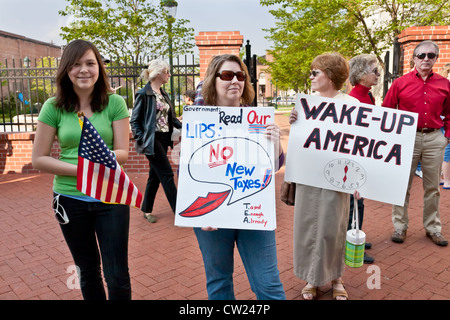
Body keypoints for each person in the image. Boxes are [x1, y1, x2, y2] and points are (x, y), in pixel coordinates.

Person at [32, 40, 132, 300]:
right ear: (66, 69)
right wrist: (83, 170)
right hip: (69, 200)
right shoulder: (52, 107)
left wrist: (94, 164)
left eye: (90, 63)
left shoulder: (115, 103)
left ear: (99, 67)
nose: (84, 70)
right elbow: (39, 159)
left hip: (111, 197)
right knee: (87, 272)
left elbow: (123, 152)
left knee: (117, 274)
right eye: (76, 64)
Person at [192, 54, 286, 300]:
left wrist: (275, 145)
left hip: (253, 210)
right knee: (219, 283)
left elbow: (273, 166)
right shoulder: (198, 120)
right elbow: (189, 174)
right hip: (213, 212)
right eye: (226, 75)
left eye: (240, 75)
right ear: (214, 80)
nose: (235, 80)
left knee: (268, 285)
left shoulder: (257, 120)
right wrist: (203, 213)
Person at [289, 52, 360, 300]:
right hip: (309, 175)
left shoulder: (351, 106)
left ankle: (336, 278)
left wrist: (360, 179)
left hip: (337, 177)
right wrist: (294, 122)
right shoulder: (306, 103)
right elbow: (299, 141)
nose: (311, 76)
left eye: (315, 72)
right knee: (308, 226)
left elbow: (361, 146)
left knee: (334, 227)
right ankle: (311, 277)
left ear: (329, 76)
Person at [382, 40, 450, 246]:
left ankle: (433, 228)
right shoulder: (400, 83)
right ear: (414, 58)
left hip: (433, 138)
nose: (426, 59)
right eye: (422, 55)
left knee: (433, 188)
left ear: (436, 59)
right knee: (402, 185)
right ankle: (400, 226)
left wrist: (446, 136)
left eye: (431, 55)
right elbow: (386, 110)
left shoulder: (444, 84)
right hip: (406, 139)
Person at [130, 59, 182, 223]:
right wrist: (142, 139)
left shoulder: (163, 94)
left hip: (163, 139)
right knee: (167, 174)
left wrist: (188, 127)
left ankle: (147, 209)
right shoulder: (143, 94)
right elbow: (135, 121)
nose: (169, 75)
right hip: (151, 141)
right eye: (167, 72)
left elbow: (172, 119)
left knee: (155, 176)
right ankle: (179, 212)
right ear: (158, 73)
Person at [347, 54, 380, 264]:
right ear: (361, 74)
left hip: (364, 153)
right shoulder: (355, 98)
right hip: (355, 156)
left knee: (360, 199)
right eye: (374, 71)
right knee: (353, 200)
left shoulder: (368, 95)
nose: (378, 74)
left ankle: (357, 232)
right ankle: (349, 239)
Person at [438, 63, 450, 189]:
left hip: (441, 120)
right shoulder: (446, 85)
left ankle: (441, 179)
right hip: (445, 121)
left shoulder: (441, 84)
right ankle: (446, 180)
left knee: (441, 149)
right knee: (447, 149)